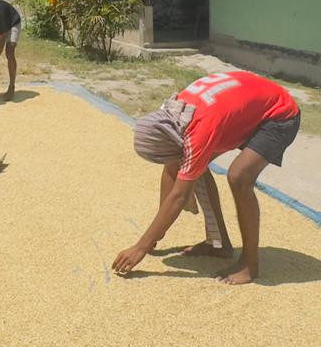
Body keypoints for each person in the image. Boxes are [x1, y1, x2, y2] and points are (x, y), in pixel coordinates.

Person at [112, 71, 300, 285]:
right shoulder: (171, 115)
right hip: (245, 106)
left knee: (239, 177)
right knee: (191, 166)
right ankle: (218, 243)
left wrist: (141, 247)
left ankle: (250, 265)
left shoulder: (199, 130)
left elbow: (179, 196)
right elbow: (171, 169)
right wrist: (156, 235)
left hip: (279, 114)